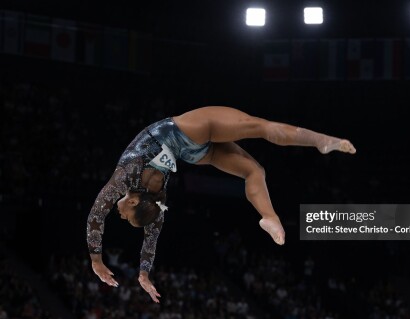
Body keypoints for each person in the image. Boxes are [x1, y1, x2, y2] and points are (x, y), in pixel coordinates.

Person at [87, 106, 356, 303]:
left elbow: (101, 216)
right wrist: (140, 273)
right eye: (125, 217)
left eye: (124, 218)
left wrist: (101, 262)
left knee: (254, 171)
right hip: (187, 132)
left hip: (190, 150)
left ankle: (269, 214)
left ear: (134, 201)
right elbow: (111, 220)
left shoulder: (132, 179)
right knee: (259, 127)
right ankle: (317, 145)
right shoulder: (139, 189)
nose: (120, 216)